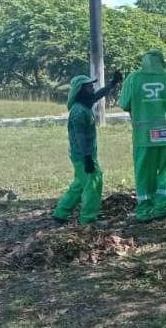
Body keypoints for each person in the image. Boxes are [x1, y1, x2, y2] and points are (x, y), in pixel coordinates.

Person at [119, 49, 166, 222]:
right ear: (162, 62)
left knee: (144, 173)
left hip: (143, 137)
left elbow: (124, 104)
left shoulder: (133, 79)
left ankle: (144, 211)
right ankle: (160, 208)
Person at [53, 72, 122, 226]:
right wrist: (87, 158)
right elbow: (80, 137)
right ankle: (89, 220)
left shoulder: (84, 104)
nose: (92, 87)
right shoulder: (78, 111)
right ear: (80, 90)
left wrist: (112, 84)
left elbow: (98, 95)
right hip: (83, 156)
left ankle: (60, 214)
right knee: (93, 182)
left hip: (83, 156)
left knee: (79, 184)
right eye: (89, 86)